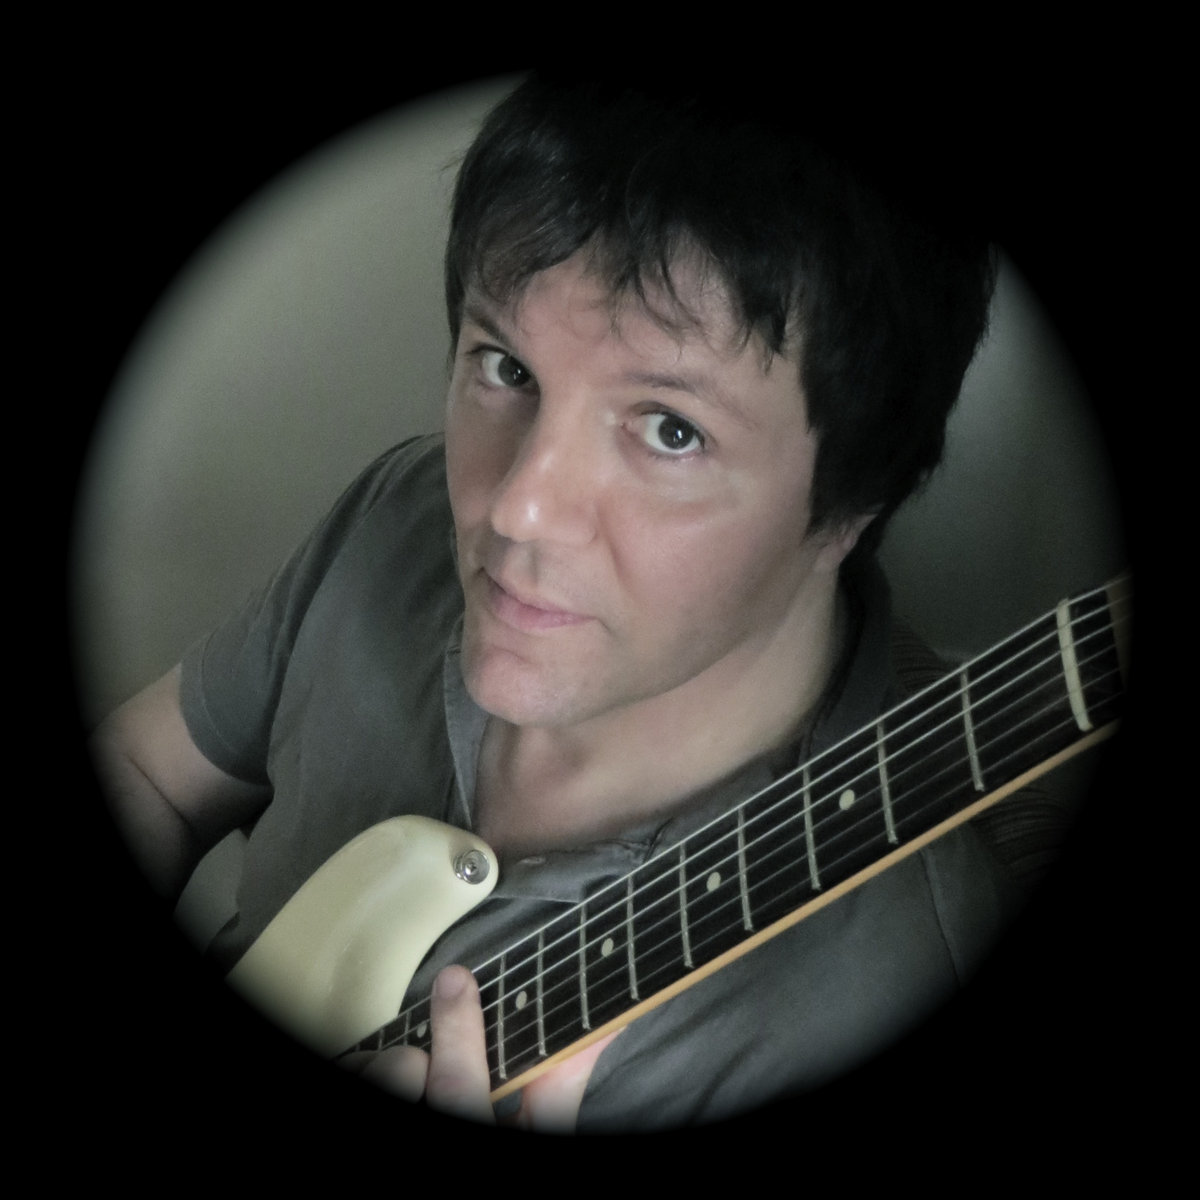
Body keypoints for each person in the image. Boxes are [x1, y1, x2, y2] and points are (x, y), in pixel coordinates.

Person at [91, 72, 1030, 1132]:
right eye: (507, 366)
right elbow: (150, 774)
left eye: (671, 430)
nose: (515, 508)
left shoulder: (886, 986)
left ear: (849, 506)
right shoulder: (402, 513)